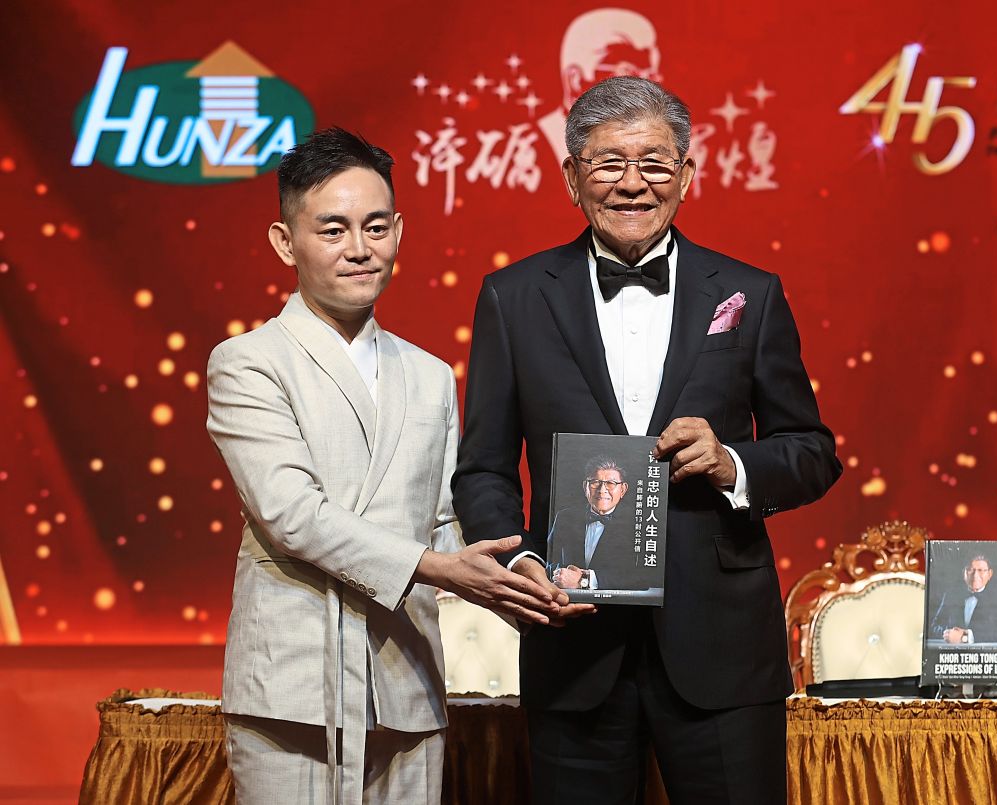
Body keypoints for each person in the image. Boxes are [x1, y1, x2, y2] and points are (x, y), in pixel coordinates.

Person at [453, 77, 842, 804]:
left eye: (655, 163)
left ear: (687, 175)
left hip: (721, 648)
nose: (632, 184)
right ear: (571, 178)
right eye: (607, 164)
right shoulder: (513, 296)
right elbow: (483, 468)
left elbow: (812, 451)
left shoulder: (750, 294)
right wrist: (522, 561)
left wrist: (732, 463)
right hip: (573, 645)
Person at [205, 127, 559, 804]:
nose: (359, 249)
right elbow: (291, 514)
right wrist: (435, 567)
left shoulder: (427, 374)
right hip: (294, 685)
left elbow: (446, 520)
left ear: (399, 230)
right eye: (332, 229)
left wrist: (523, 578)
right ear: (286, 242)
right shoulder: (247, 362)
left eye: (375, 226)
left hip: (406, 679)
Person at [537, 8, 662, 162]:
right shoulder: (534, 149)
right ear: (575, 81)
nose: (646, 91)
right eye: (629, 74)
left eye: (650, 76)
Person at [548, 456, 657, 591]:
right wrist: (560, 574)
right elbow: (549, 560)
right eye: (595, 482)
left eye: (611, 483)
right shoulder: (565, 517)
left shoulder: (640, 522)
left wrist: (585, 579)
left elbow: (645, 576)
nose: (602, 490)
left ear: (623, 489)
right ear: (585, 486)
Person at [929, 554, 997, 644]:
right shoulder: (951, 595)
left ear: (990, 574)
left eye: (981, 570)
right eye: (970, 570)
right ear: (964, 573)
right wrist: (949, 634)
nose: (975, 575)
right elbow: (934, 626)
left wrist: (965, 637)